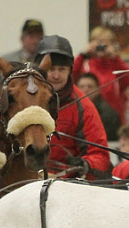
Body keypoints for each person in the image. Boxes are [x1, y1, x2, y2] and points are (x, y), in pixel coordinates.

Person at [35, 35, 111, 179]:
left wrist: (84, 165)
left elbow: (100, 156)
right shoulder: (20, 95)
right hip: (21, 182)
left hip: (64, 186)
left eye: (62, 69)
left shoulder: (83, 106)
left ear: (70, 70)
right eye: (51, 69)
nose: (56, 75)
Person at [72, 26, 129, 125]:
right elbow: (70, 77)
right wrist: (82, 55)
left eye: (105, 43)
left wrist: (115, 57)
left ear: (112, 44)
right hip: (86, 116)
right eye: (98, 42)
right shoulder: (84, 64)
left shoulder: (116, 64)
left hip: (113, 118)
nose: (101, 46)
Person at [0, 18, 44, 100]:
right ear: (22, 38)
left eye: (39, 37)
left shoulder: (46, 62)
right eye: (31, 37)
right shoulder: (8, 60)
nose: (35, 41)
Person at [76, 73, 120, 141]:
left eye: (90, 86)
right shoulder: (70, 108)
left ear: (98, 89)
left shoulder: (108, 113)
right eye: (81, 87)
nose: (85, 90)